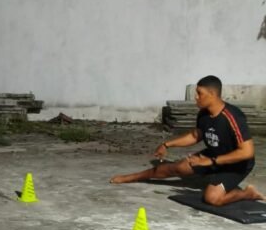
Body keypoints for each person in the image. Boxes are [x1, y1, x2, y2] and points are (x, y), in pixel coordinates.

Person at [110, 75, 264, 206]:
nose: (196, 97)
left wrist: (211, 161)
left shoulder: (233, 117)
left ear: (212, 94)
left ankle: (247, 193)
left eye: (199, 93)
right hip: (213, 156)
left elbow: (247, 152)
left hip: (237, 164)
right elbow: (195, 136)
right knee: (175, 168)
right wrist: (166, 145)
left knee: (212, 198)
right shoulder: (204, 114)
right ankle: (132, 177)